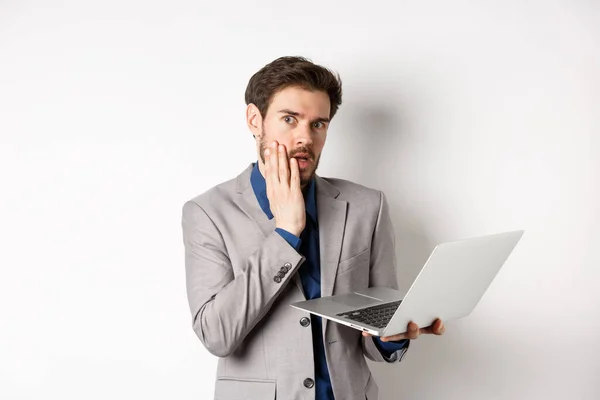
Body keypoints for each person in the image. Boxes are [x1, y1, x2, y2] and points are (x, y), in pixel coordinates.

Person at [181, 56, 445, 400]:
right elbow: (217, 335)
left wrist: (389, 336)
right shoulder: (208, 212)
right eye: (289, 119)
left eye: (318, 124)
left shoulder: (368, 206)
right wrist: (286, 233)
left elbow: (380, 323)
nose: (304, 138)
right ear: (254, 120)